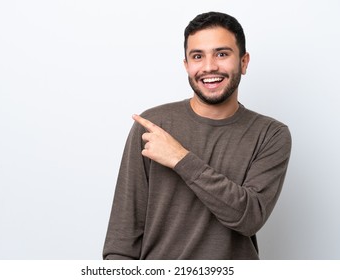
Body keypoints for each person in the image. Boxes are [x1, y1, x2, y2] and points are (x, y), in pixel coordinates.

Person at [103, 11, 291, 260]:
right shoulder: (153, 127)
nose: (209, 67)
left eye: (222, 54)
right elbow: (122, 239)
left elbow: (249, 218)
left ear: (243, 62)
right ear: (186, 66)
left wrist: (180, 159)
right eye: (197, 56)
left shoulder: (270, 134)